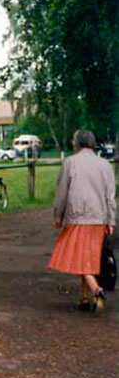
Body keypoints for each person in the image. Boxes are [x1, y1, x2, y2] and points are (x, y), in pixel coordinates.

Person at [49, 130, 116, 313]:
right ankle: (84, 298)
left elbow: (61, 193)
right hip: (99, 218)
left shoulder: (70, 162)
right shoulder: (105, 165)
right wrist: (111, 220)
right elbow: (110, 197)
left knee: (79, 257)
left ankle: (96, 290)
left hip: (78, 217)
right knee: (89, 257)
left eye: (73, 140)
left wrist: (57, 217)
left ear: (77, 142)